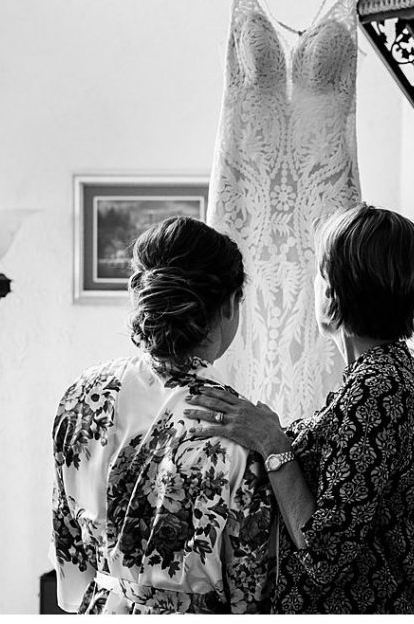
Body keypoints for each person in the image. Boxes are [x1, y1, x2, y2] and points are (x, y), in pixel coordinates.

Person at [186, 203, 414, 613]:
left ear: (335, 291)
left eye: (320, 272)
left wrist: (272, 441)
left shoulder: (377, 392)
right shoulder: (383, 376)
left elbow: (323, 552)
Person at [51, 216, 273, 614]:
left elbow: (70, 556)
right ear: (228, 306)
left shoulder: (82, 395)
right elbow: (249, 593)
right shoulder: (237, 426)